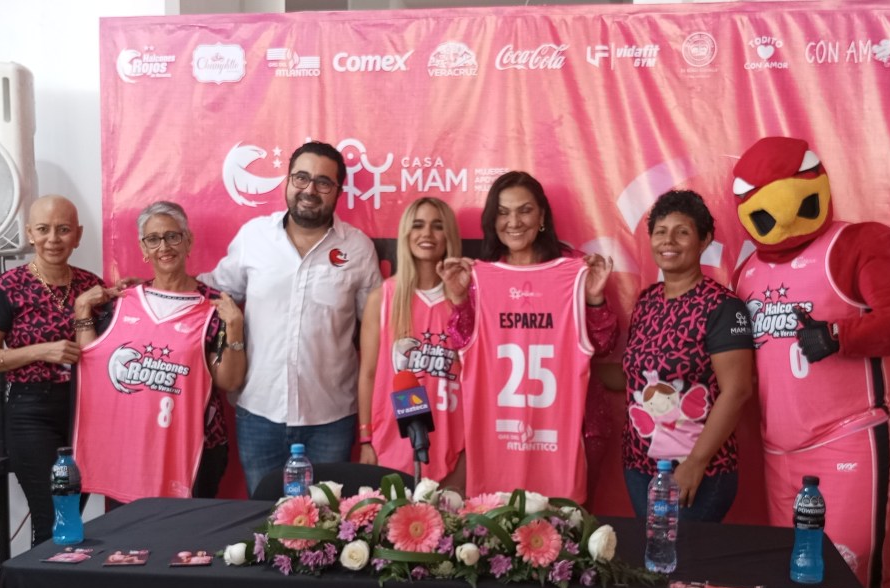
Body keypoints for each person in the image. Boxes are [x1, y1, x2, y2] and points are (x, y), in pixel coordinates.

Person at [732, 136, 890, 588]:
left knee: (850, 575)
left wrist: (838, 336)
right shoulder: (746, 271)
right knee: (795, 576)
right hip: (779, 449)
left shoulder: (857, 244)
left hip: (851, 436)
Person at [198, 141, 382, 496]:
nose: (309, 189)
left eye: (323, 182)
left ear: (338, 191)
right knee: (264, 518)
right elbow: (214, 292)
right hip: (259, 414)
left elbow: (378, 325)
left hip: (331, 419)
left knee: (328, 521)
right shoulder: (254, 236)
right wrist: (156, 288)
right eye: (301, 177)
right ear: (287, 180)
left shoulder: (358, 248)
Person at [437, 171, 617, 501]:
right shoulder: (480, 277)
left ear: (542, 216)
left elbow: (602, 345)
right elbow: (464, 347)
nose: (514, 222)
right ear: (493, 220)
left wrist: (594, 298)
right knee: (505, 526)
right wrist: (460, 299)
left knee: (564, 527)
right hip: (502, 432)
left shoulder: (575, 270)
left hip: (573, 429)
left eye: (525, 210)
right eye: (503, 212)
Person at [71, 201, 245, 503]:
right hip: (131, 448)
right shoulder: (121, 302)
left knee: (187, 532)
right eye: (153, 239)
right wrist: (82, 310)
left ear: (188, 241)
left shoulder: (215, 306)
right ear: (143, 248)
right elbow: (94, 365)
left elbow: (228, 381)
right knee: (128, 532)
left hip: (197, 449)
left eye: (172, 236)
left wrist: (235, 327)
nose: (164, 246)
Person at [0, 194, 105, 546]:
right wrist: (40, 351)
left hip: (85, 413)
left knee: (70, 516)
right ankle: (42, 582)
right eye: (43, 229)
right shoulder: (6, 287)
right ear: (30, 234)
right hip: (32, 413)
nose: (53, 239)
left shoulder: (92, 286)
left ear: (78, 235)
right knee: (52, 519)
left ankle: (60, 579)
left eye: (63, 230)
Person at [621, 190, 754, 522]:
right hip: (640, 467)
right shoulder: (647, 302)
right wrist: (576, 366)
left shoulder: (723, 307)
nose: (669, 241)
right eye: (660, 231)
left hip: (697, 472)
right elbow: (634, 375)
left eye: (682, 232)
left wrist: (696, 463)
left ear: (704, 240)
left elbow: (737, 390)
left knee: (682, 555)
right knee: (653, 552)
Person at [358, 197, 466, 487]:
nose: (427, 234)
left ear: (449, 235)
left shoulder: (464, 299)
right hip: (392, 446)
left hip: (453, 447)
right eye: (418, 225)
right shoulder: (383, 297)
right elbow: (368, 373)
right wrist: (366, 439)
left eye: (437, 226)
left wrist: (468, 451)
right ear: (406, 233)